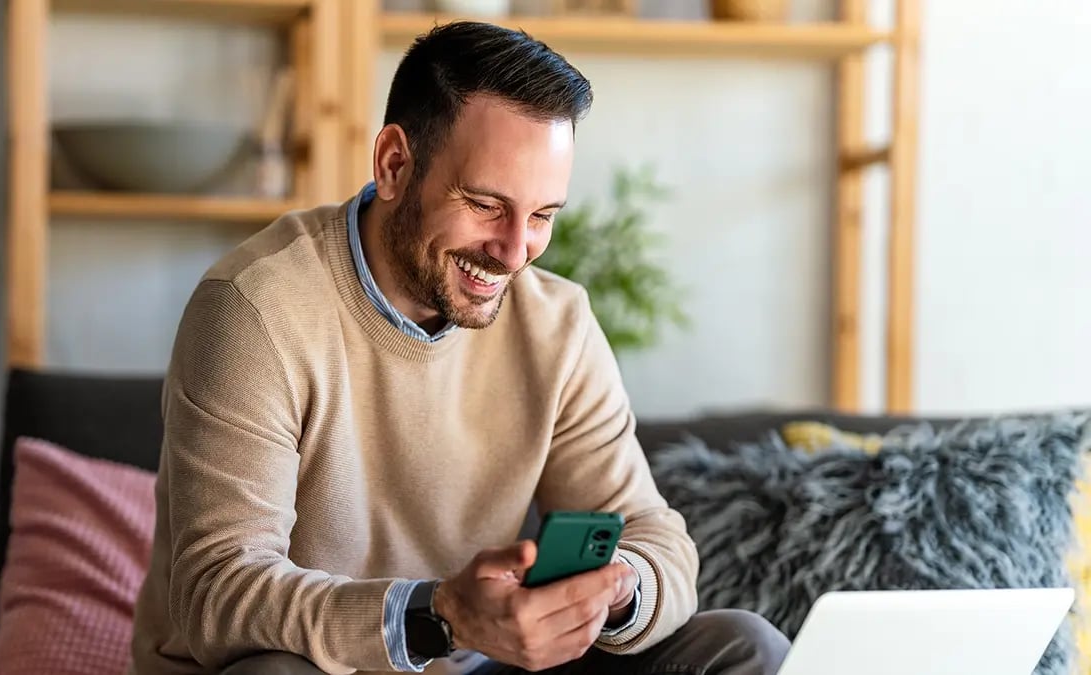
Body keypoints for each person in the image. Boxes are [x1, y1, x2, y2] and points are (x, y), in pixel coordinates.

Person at [127, 20, 790, 675]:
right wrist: (438, 615)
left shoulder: (557, 324)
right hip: (319, 666)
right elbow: (218, 591)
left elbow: (656, 537)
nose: (513, 251)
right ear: (394, 164)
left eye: (542, 216)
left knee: (744, 646)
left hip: (477, 664)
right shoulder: (256, 307)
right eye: (485, 204)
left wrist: (613, 592)